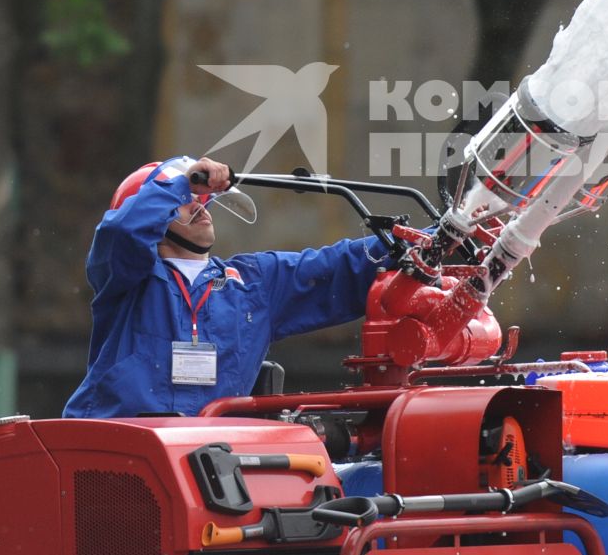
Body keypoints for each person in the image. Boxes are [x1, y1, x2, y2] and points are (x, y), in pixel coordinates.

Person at [64, 156, 393, 418]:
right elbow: (123, 232)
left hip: (209, 465)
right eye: (188, 199)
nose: (201, 206)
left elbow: (341, 266)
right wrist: (180, 183)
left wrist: (431, 238)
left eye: (205, 199)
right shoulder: (125, 276)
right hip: (117, 458)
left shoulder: (252, 282)